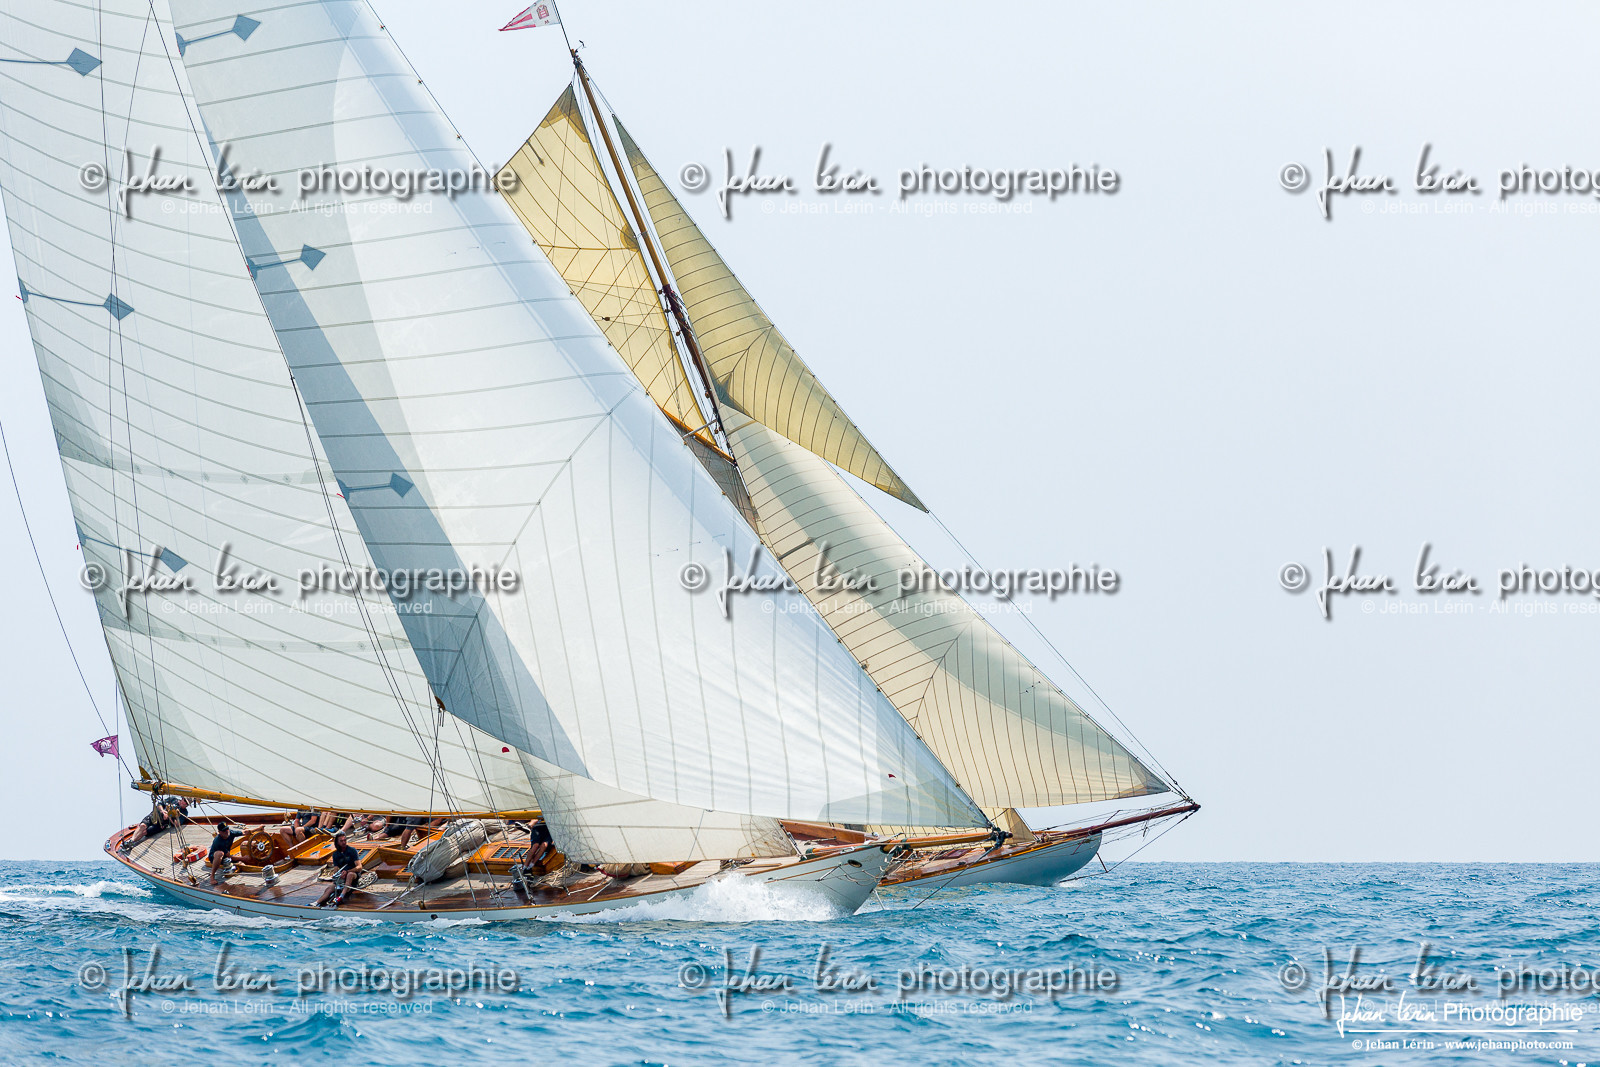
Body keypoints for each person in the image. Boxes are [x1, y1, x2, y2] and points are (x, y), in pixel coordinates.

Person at [315, 832, 366, 908]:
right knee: (329, 889)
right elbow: (336, 869)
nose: (344, 842)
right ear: (337, 842)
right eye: (341, 841)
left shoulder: (352, 851)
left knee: (350, 874)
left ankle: (341, 896)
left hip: (353, 874)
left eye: (344, 840)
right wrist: (336, 875)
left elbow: (359, 867)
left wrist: (348, 871)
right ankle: (316, 903)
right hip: (342, 876)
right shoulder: (335, 854)